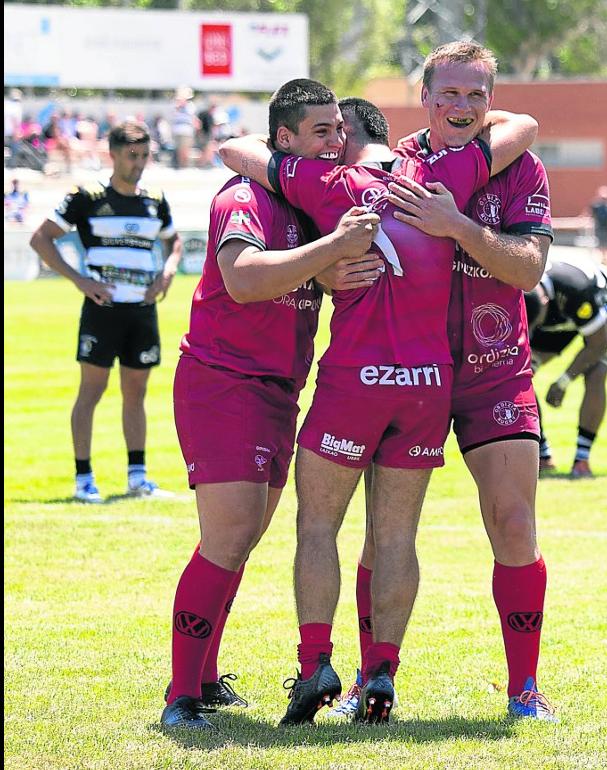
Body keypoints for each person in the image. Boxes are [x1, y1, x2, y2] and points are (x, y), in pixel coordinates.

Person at [219, 85, 537, 727]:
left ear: (346, 136)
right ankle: (381, 673)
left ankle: (315, 665)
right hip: (427, 385)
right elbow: (521, 127)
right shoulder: (439, 177)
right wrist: (487, 115)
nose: (330, 142)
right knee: (395, 535)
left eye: (335, 132)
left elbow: (235, 150)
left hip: (354, 384)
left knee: (317, 526)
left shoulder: (326, 183)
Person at [329, 46, 557, 721]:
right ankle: (373, 682)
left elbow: (527, 270)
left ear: (492, 101)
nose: (462, 107)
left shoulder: (521, 168)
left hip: (496, 372)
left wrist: (458, 227)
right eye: (449, 93)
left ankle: (524, 690)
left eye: (475, 96)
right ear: (423, 96)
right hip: (410, 372)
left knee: (513, 522)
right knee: (385, 533)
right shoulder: (396, 170)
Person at [160, 78, 385, 730]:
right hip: (222, 381)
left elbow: (314, 269)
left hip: (277, 390)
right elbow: (243, 277)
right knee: (227, 535)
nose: (337, 141)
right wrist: (330, 251)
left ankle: (202, 677)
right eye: (322, 131)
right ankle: (181, 698)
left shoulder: (313, 200)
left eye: (340, 130)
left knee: (243, 536)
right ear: (282, 139)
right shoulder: (246, 195)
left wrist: (330, 266)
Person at [29, 120, 183, 504]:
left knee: (137, 393)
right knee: (91, 392)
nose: (140, 163)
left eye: (145, 155)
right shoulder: (87, 196)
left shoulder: (155, 198)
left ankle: (137, 477)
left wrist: (166, 272)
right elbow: (41, 238)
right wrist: (80, 280)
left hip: (142, 310)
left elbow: (174, 240)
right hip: (102, 310)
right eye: (132, 156)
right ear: (112, 155)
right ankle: (84, 479)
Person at [523, 251, 607, 479]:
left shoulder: (574, 288)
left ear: (545, 302)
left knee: (597, 371)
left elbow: (597, 345)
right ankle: (542, 455)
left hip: (602, 304)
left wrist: (563, 381)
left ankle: (582, 460)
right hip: (554, 311)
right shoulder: (520, 284)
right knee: (521, 373)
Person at [588, 185, 607, 263]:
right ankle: (602, 258)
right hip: (599, 227)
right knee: (600, 243)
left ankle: (606, 258)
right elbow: (590, 214)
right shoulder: (596, 205)